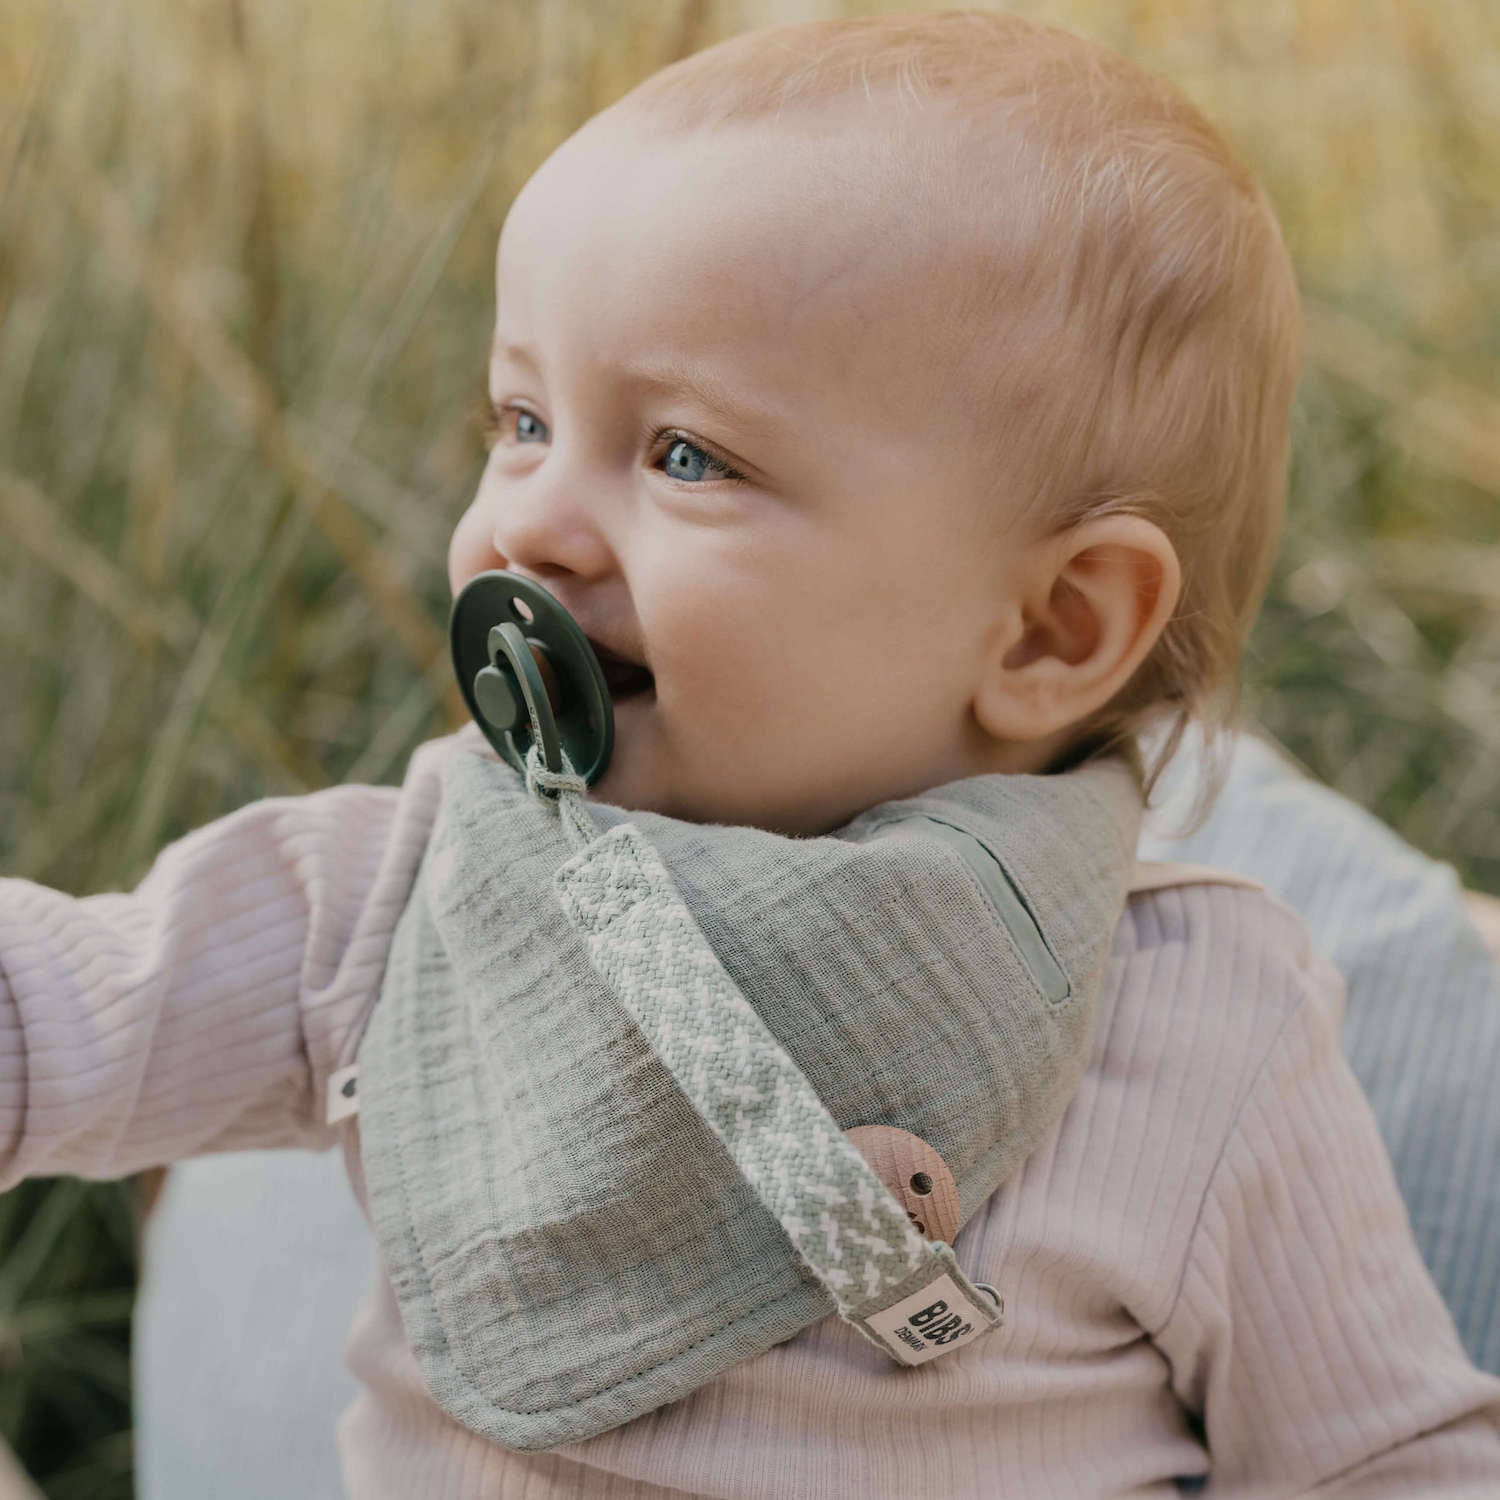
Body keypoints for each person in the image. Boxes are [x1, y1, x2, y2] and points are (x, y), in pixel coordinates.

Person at [4, 11, 1498, 1496]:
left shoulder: (1200, 1029)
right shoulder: (404, 894)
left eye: (686, 456)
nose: (523, 525)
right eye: (521, 419)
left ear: (1050, 629)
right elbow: (78, 1015)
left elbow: (1384, 1459)